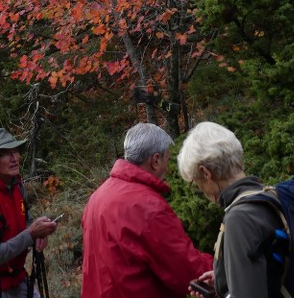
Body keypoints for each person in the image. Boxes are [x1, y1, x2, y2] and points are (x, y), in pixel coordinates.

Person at [81, 122, 213, 298]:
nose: (168, 166)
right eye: (167, 159)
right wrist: (222, 268)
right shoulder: (148, 207)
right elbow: (185, 269)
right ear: (156, 160)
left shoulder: (97, 197)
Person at [178, 121, 285, 298]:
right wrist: (225, 277)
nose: (201, 190)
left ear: (206, 173)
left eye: (196, 183)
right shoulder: (269, 195)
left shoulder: (239, 217)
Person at [0, 127, 59, 297]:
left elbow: (25, 224)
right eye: (6, 154)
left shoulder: (15, 185)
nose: (15, 158)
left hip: (17, 280)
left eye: (15, 151)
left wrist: (38, 232)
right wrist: (30, 234)